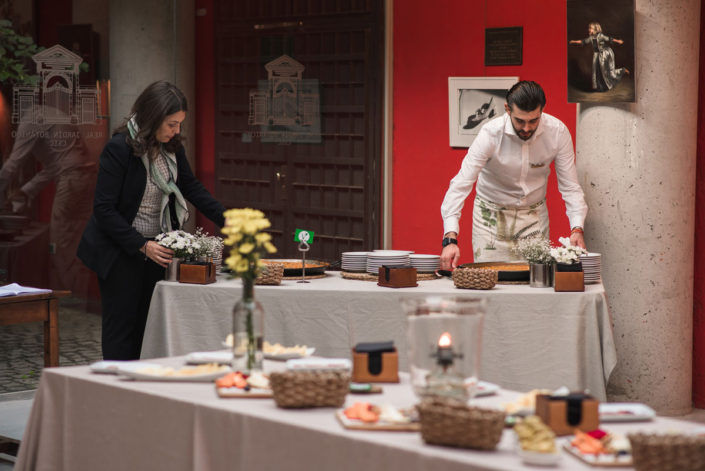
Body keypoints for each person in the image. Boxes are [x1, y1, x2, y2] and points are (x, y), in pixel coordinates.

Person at [77, 81, 226, 360]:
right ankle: (118, 392)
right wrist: (141, 245)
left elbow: (191, 187)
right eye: (171, 124)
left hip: (158, 248)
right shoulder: (119, 148)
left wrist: (229, 219)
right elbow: (104, 209)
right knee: (121, 327)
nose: (176, 131)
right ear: (153, 117)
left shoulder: (172, 148)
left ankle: (144, 391)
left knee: (149, 326)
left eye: (180, 124)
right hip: (120, 249)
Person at [440, 81, 588, 270]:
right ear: (507, 109)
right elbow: (461, 183)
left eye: (533, 120)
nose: (526, 128)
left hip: (534, 217)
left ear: (542, 111)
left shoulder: (557, 133)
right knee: (490, 281)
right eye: (520, 121)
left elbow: (570, 186)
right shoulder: (490, 134)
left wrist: (577, 228)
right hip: (490, 218)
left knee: (536, 282)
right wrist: (450, 238)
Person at [0, 108, 97, 295]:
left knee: (60, 244)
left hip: (72, 179)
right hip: (85, 176)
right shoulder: (48, 114)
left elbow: (13, 164)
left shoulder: (30, 119)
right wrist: (25, 192)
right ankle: (78, 297)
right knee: (76, 243)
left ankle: (66, 302)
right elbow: (55, 166)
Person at [569, 22, 629, 92]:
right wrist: (574, 41)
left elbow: (609, 39)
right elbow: (583, 41)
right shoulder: (591, 38)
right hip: (596, 55)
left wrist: (618, 41)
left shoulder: (601, 36)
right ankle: (600, 86)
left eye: (590, 28)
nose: (589, 30)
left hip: (604, 55)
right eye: (589, 28)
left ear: (595, 29)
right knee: (597, 71)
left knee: (606, 71)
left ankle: (622, 71)